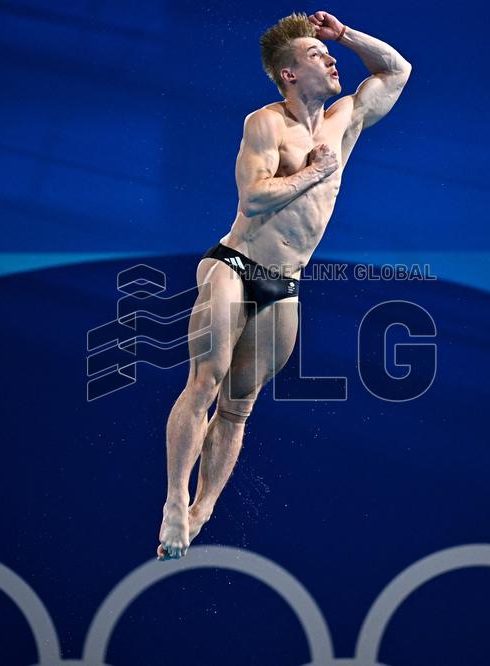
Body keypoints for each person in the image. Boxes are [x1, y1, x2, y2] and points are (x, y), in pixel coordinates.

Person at [158, 10, 411, 559]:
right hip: (235, 264)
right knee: (205, 382)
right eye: (318, 55)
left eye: (331, 54)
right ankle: (175, 500)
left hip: (286, 284)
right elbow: (254, 198)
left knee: (239, 405)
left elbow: (397, 72)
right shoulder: (265, 123)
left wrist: (342, 33)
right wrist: (313, 174)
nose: (331, 60)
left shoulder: (345, 119)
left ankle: (202, 511)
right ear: (290, 73)